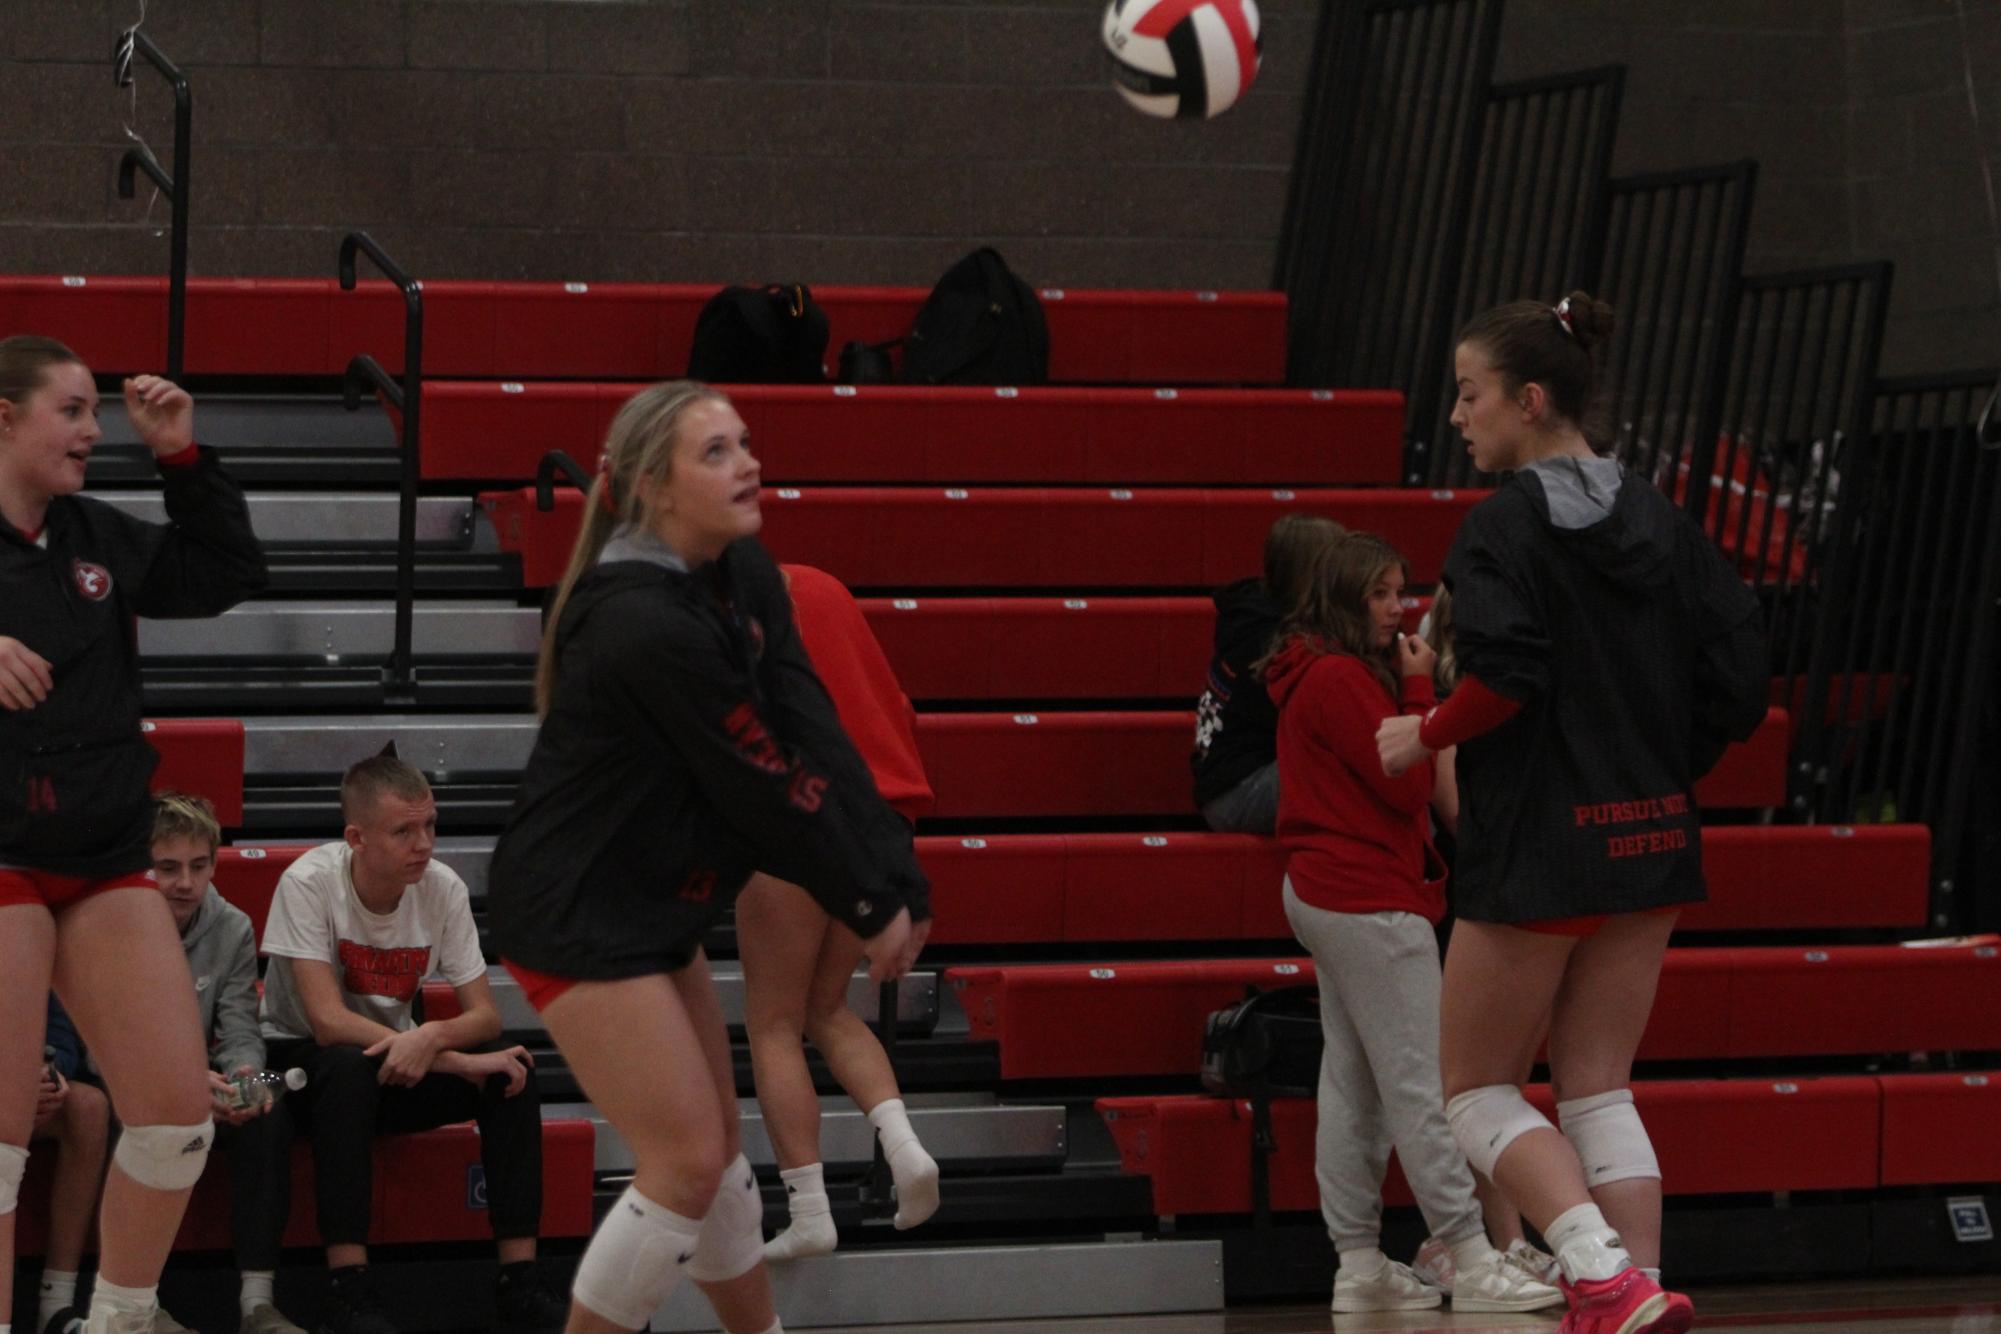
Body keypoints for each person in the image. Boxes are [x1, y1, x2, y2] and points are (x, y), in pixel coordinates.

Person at [487, 382, 930, 1334]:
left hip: (654, 900)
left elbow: (810, 719)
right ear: (652, 487)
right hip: (577, 910)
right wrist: (864, 897)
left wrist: (895, 867)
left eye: (745, 443)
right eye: (717, 452)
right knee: (685, 1160)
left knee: (719, 1152)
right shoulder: (641, 621)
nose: (749, 464)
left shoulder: (742, 570)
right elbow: (765, 786)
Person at [1378, 292, 1767, 1334]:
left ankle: (1597, 1270)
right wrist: (1658, 758)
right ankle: (1642, 1286)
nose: (1457, 417)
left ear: (1531, 399)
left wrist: (1426, 730)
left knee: (1473, 1092)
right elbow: (1740, 675)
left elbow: (1504, 672)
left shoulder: (1501, 526)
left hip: (1544, 839)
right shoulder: (1666, 519)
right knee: (1598, 1089)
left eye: (1469, 394)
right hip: (1650, 833)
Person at [1, 336, 268, 1334]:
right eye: (69, 410)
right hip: (3, 855)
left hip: (105, 849)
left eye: (94, 411)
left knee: (173, 1121)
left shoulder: (92, 533)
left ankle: (115, 1320)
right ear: (4, 416)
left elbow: (229, 570)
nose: (90, 430)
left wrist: (184, 459)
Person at [1262, 532, 1562, 1317]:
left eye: (1403, 591)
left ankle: (1358, 1262)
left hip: (1324, 890)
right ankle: (1470, 1254)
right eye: (1383, 595)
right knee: (1421, 1085)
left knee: (1354, 1087)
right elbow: (1409, 787)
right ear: (1341, 598)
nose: (1404, 610)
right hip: (1365, 896)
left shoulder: (1306, 668)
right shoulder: (1339, 679)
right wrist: (1419, 694)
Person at [258, 757, 565, 1334]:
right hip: (291, 1070)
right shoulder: (308, 882)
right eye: (404, 831)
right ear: (357, 838)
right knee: (348, 1069)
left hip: (394, 1059)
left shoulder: (441, 888)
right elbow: (327, 1022)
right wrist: (446, 1056)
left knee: (512, 1073)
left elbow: (484, 1015)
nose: (423, 844)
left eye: (430, 826)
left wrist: (432, 1037)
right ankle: (350, 1288)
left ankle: (519, 1281)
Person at [747, 563, 939, 1262]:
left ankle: (808, 1211)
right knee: (826, 1008)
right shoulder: (827, 586)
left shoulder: (739, 604)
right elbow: (896, 705)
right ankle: (906, 1147)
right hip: (881, 812)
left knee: (774, 1022)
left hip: (801, 814)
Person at [148, 793, 306, 1334]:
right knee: (136, 1118)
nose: (186, 883)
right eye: (168, 868)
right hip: (134, 1083)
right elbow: (100, 1041)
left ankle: (257, 1304)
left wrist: (242, 1077)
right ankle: (143, 1303)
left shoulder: (232, 926)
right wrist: (181, 1084)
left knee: (270, 1107)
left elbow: (240, 1025)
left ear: (215, 863)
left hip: (208, 1080)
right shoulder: (116, 925)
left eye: (199, 867)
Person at [1191, 514, 1346, 833]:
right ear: (1314, 576)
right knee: (1360, 774)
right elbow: (1322, 722)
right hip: (1238, 792)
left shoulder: (1261, 616)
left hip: (1245, 777)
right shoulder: (1268, 641)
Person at [17, 998, 111, 1334]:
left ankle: (55, 1306)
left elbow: (58, 1030)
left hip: (15, 1082)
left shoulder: (30, 944)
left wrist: (47, 1073)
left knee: (87, 1107)